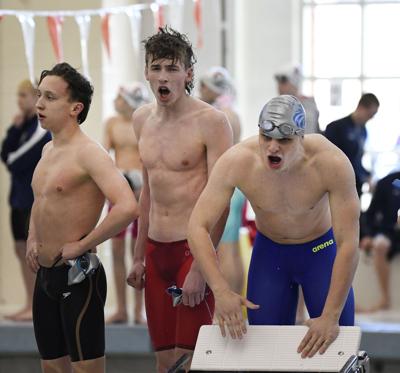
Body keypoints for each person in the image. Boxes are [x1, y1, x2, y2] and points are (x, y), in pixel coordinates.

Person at [188, 94, 360, 359]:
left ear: (301, 138)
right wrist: (220, 290)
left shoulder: (331, 163)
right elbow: (198, 226)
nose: (272, 148)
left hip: (320, 251)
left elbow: (348, 244)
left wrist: (331, 315)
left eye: (283, 140)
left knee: (336, 348)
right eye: (265, 138)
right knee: (265, 354)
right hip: (271, 255)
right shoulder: (238, 161)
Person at [126, 27, 232, 373]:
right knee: (163, 363)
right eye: (156, 67)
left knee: (190, 363)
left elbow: (221, 200)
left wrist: (203, 267)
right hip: (156, 253)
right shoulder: (141, 120)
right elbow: (147, 195)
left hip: (192, 250)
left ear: (188, 74)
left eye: (172, 68)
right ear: (146, 72)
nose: (163, 76)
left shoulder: (212, 122)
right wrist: (139, 255)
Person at [26, 62, 138, 373]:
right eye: (39, 95)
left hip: (78, 275)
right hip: (45, 276)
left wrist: (83, 244)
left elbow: (128, 206)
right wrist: (34, 236)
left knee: (86, 370)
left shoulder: (90, 153)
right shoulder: (47, 151)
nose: (39, 104)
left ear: (75, 107)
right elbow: (41, 201)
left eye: (49, 97)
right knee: (51, 367)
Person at [1, 79, 51, 321]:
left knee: (34, 252)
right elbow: (5, 153)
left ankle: (37, 306)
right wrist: (14, 128)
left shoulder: (41, 128)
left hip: (33, 199)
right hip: (17, 198)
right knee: (20, 248)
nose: (19, 101)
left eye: (23, 96)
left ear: (35, 97)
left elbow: (13, 160)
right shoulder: (23, 126)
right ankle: (29, 301)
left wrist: (14, 134)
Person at [103, 82, 149, 324]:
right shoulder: (111, 124)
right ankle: (121, 308)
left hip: (142, 188)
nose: (116, 101)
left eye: (121, 98)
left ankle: (138, 309)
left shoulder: (143, 121)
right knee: (117, 248)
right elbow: (104, 156)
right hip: (120, 189)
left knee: (138, 250)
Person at [199, 66, 245, 294]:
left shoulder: (213, 115)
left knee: (223, 249)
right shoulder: (233, 113)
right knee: (233, 249)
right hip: (236, 185)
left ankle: (225, 307)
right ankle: (237, 305)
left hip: (222, 184)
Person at [359, 171, 400, 312]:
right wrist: (367, 235)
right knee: (380, 245)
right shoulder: (389, 182)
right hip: (390, 232)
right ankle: (385, 298)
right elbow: (370, 213)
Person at [325, 93, 380, 196]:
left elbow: (357, 159)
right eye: (370, 114)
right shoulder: (336, 127)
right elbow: (330, 159)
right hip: (338, 184)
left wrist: (367, 175)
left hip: (356, 184)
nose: (370, 118)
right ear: (361, 107)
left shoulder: (363, 131)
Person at [275, 64, 320, 134]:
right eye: (279, 83)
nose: (280, 87)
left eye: (284, 82)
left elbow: (307, 136)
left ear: (294, 83)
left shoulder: (308, 106)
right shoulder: (277, 106)